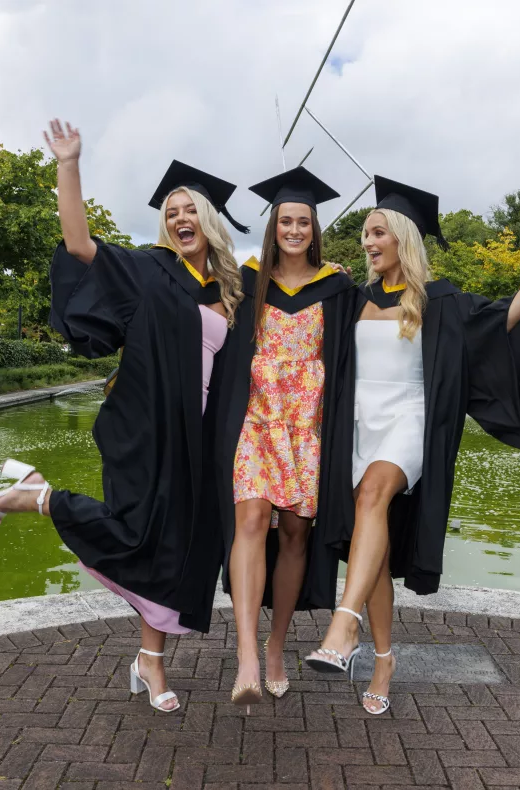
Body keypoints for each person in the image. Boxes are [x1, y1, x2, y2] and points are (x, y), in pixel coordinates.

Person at [0, 118, 247, 713]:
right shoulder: (150, 272)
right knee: (136, 533)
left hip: (198, 437)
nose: (181, 219)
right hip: (146, 426)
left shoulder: (227, 289)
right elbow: (80, 246)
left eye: (192, 211)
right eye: (172, 211)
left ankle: (149, 662)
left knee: (176, 546)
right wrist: (69, 164)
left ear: (209, 222)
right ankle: (38, 496)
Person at [305, 177, 520, 715]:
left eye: (377, 232)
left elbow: (500, 320)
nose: (367, 242)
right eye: (364, 234)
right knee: (371, 538)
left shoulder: (441, 301)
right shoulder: (351, 299)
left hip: (408, 421)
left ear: (402, 237)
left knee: (372, 498)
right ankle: (383, 659)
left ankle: (342, 626)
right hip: (358, 424)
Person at [211, 166, 357, 708]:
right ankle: (247, 655)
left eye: (303, 221)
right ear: (273, 227)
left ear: (314, 228)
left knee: (295, 533)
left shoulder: (338, 286)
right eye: (285, 221)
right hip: (256, 420)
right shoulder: (248, 281)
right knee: (249, 519)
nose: (293, 229)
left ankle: (276, 647)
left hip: (308, 428)